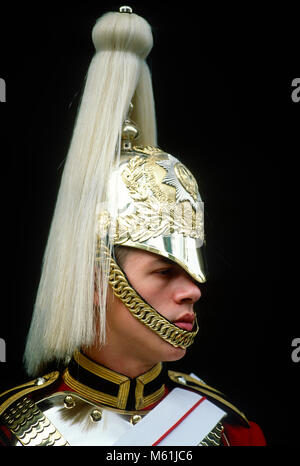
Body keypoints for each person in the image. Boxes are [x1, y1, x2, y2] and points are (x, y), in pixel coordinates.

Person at [0, 7, 266, 446]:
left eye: (191, 267)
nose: (194, 289)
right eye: (164, 270)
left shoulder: (235, 434)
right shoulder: (15, 431)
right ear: (93, 280)